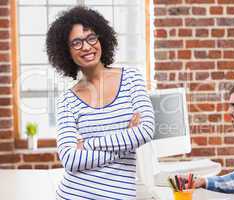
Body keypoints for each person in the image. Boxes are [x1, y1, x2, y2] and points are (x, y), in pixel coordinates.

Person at [46, 6, 154, 199]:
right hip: (73, 194)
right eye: (76, 43)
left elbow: (146, 131)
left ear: (101, 38)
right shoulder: (66, 101)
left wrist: (87, 145)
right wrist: (128, 139)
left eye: (91, 38)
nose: (86, 47)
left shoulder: (131, 78)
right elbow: (70, 159)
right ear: (67, 51)